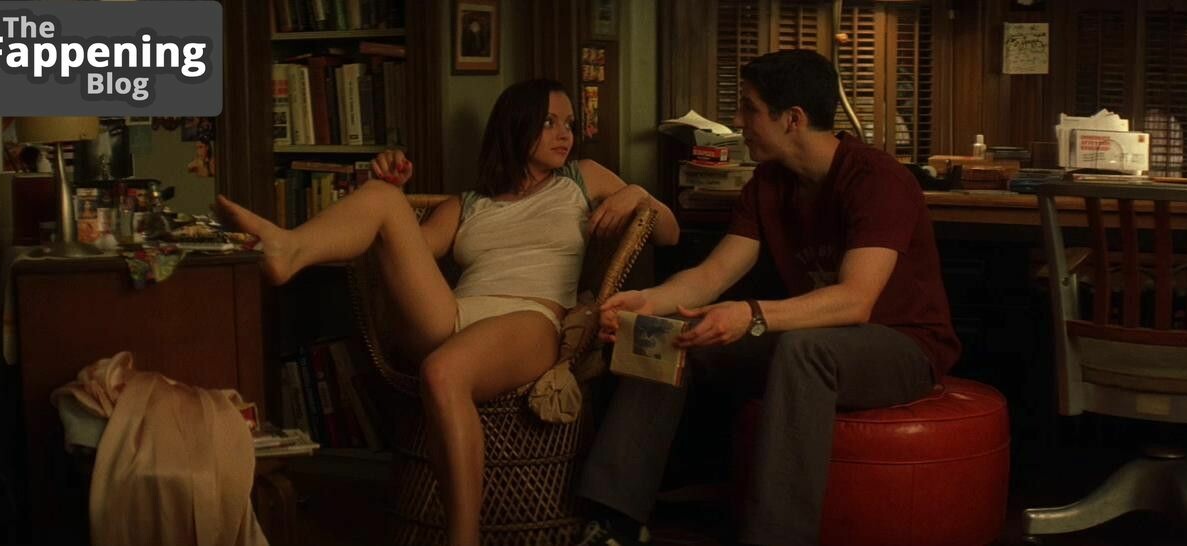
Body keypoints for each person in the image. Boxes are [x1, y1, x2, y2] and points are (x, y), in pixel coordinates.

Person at [217, 78, 679, 546]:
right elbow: (403, 254)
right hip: (453, 316)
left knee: (441, 372)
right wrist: (388, 189)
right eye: (549, 122)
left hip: (531, 319)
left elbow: (669, 232)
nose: (565, 134)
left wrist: (637, 193)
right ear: (515, 126)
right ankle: (289, 249)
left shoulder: (583, 178)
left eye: (569, 124)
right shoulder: (468, 205)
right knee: (383, 200)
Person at [575, 49, 960, 546]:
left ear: (792, 118)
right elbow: (713, 274)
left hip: (900, 344)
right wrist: (648, 302)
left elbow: (855, 301)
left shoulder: (876, 179)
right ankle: (616, 521)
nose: (738, 121)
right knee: (672, 335)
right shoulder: (768, 184)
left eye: (749, 108)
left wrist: (752, 315)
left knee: (804, 349)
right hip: (820, 339)